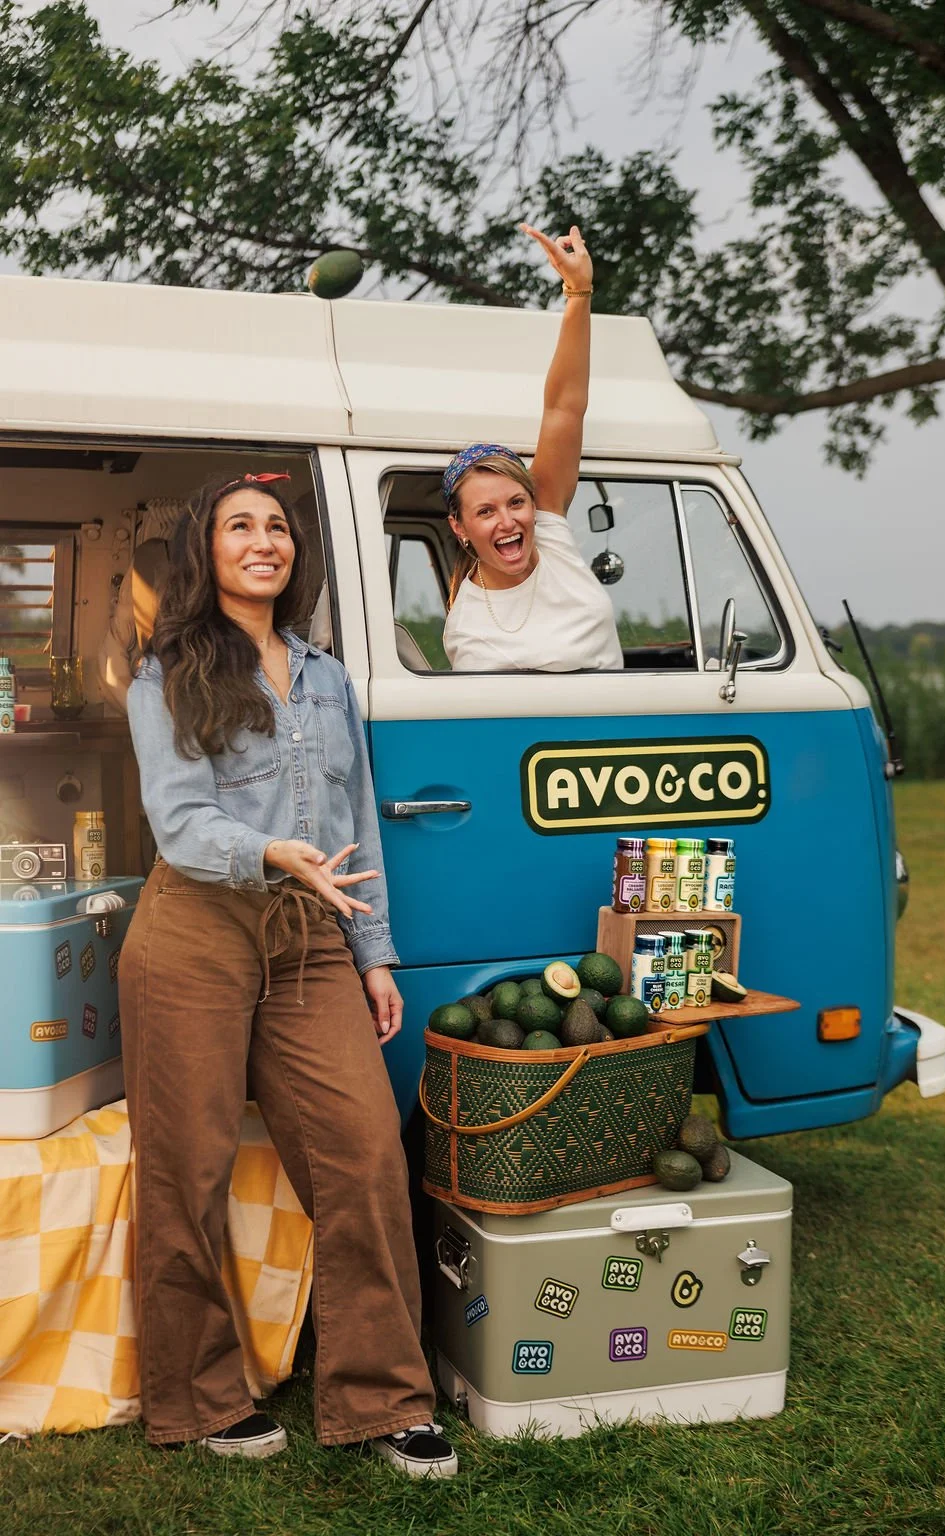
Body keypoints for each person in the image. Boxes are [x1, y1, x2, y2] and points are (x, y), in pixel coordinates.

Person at [118, 470, 457, 1477]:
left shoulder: (327, 678)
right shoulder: (167, 671)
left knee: (363, 1151)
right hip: (196, 934)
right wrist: (270, 853)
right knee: (189, 1171)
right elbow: (180, 823)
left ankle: (385, 1396)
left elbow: (354, 833)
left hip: (312, 936)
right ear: (206, 552)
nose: (263, 540)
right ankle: (198, 1397)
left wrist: (376, 954)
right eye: (239, 527)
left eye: (275, 527)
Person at [442, 223, 623, 673]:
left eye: (516, 502)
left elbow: (563, 408)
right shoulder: (467, 629)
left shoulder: (548, 528)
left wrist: (578, 293)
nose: (509, 521)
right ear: (460, 528)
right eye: (485, 512)